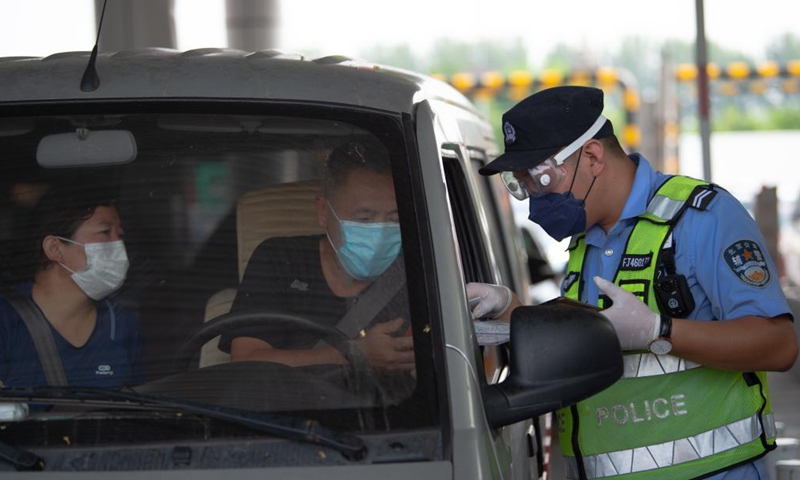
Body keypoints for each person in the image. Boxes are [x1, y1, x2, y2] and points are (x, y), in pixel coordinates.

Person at [468, 86, 798, 480]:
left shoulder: (701, 218)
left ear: (592, 157)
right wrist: (513, 313)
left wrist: (660, 331)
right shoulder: (584, 243)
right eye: (522, 185)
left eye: (541, 180)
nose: (534, 200)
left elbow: (779, 346)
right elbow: (597, 335)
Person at [219, 141, 414, 376]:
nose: (381, 232)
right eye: (364, 219)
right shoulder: (281, 259)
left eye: (393, 219)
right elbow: (246, 362)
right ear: (323, 213)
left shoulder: (417, 269)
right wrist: (353, 354)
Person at [0, 185, 144, 388]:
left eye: (119, 235)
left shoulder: (123, 324)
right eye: (105, 232)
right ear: (55, 248)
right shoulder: (5, 319)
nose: (118, 246)